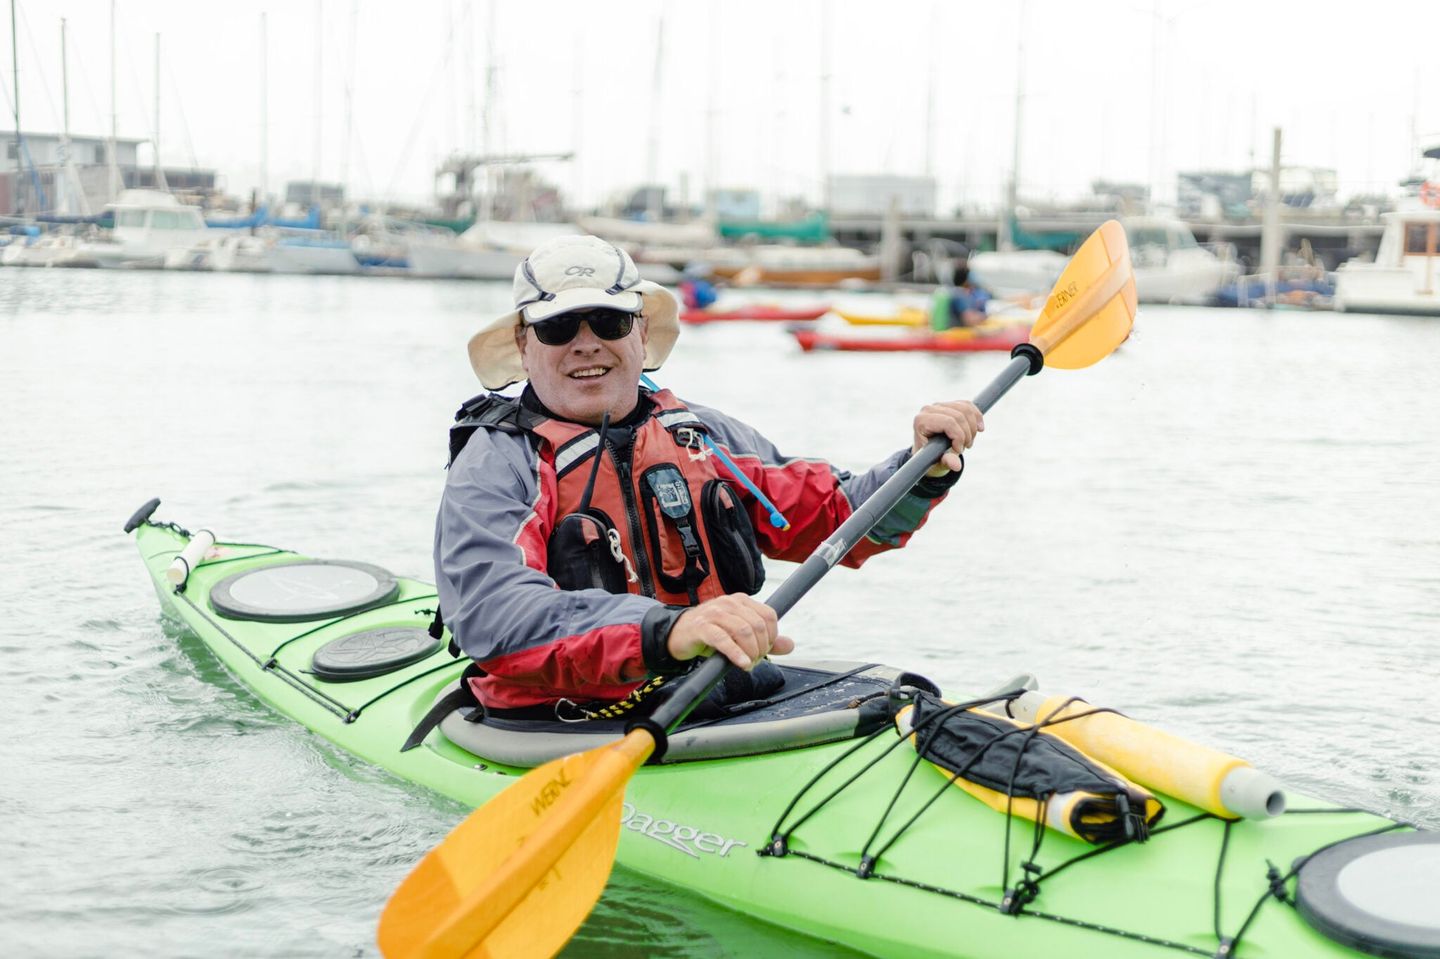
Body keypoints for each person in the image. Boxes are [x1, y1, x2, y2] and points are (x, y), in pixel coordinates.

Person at [434, 235, 983, 719]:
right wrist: (669, 630)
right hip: (560, 718)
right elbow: (493, 613)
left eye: (608, 321)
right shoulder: (497, 461)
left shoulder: (702, 436)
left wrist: (919, 467)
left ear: (641, 333)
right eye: (556, 328)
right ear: (525, 346)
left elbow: (836, 518)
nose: (586, 343)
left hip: (714, 694)